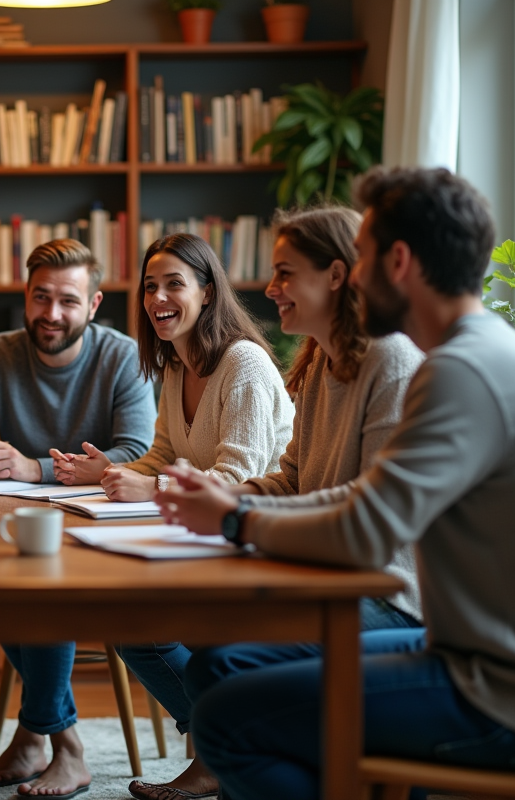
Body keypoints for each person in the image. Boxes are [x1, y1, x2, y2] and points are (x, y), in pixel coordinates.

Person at [161, 167, 515, 800]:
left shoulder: (461, 370)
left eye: (366, 254)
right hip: (494, 662)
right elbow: (365, 500)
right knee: (226, 670)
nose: (353, 271)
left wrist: (235, 520)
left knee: (226, 722)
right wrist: (230, 505)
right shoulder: (475, 355)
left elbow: (368, 529)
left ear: (398, 261)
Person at [113, 209, 425, 800]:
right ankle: (248, 758)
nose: (270, 289)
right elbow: (290, 480)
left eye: (284, 273)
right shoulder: (313, 366)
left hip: (388, 592)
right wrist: (225, 499)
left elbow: (376, 511)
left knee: (222, 668)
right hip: (321, 575)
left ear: (336, 276)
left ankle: (248, 756)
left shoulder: (391, 362)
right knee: (200, 659)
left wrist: (232, 512)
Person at [0, 239, 156, 798]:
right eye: (40, 298)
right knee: (6, 578)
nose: (52, 314)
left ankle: (41, 736)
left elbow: (137, 452)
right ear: (26, 297)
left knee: (42, 583)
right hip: (16, 523)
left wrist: (33, 467)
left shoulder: (124, 356)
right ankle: (58, 743)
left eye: (67, 300)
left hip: (100, 527)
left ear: (94, 304)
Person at [52, 232, 293, 499]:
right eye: (150, 286)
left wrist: (152, 487)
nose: (157, 299)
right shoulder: (176, 366)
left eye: (174, 284)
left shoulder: (244, 363)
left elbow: (239, 479)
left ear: (207, 293)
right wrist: (110, 471)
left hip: (264, 526)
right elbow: (162, 456)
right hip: (209, 521)